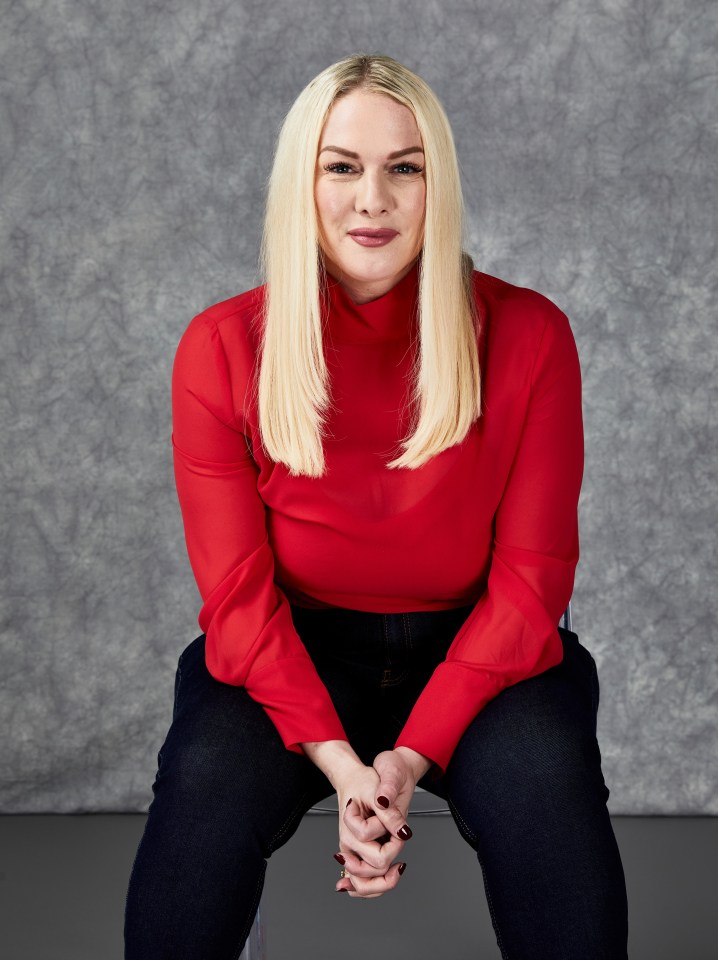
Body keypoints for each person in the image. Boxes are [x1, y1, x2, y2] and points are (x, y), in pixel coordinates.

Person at [124, 53, 629, 959]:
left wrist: (405, 757)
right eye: (342, 166)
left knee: (546, 784)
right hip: (291, 643)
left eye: (405, 167)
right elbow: (237, 600)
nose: (374, 201)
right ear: (302, 182)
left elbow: (532, 582)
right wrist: (340, 761)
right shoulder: (220, 347)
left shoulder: (530, 335)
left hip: (482, 650)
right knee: (202, 785)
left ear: (437, 184)